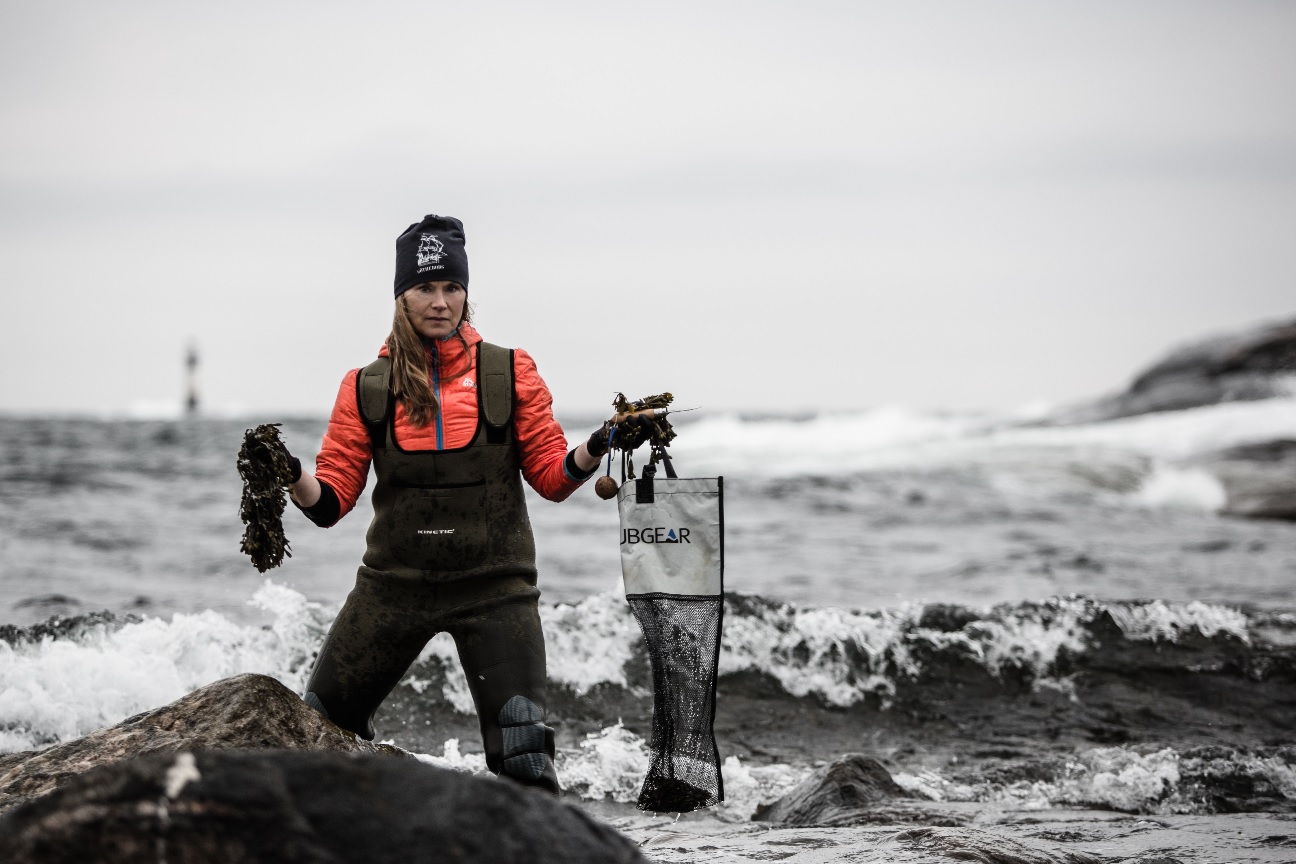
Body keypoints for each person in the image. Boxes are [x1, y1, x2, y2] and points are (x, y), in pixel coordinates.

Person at [280, 214, 625, 796]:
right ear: (401, 296)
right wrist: (288, 475)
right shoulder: (367, 385)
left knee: (523, 757)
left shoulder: (510, 372)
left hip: (496, 590)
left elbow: (551, 477)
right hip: (392, 588)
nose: (440, 302)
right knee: (319, 730)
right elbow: (330, 502)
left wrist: (600, 443)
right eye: (425, 288)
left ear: (466, 293)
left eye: (452, 288)